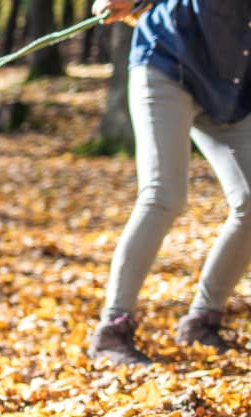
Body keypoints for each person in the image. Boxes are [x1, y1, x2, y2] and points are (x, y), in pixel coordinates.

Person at [87, 0, 251, 365]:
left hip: (230, 88)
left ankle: (202, 321)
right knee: (164, 194)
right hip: (168, 60)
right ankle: (111, 331)